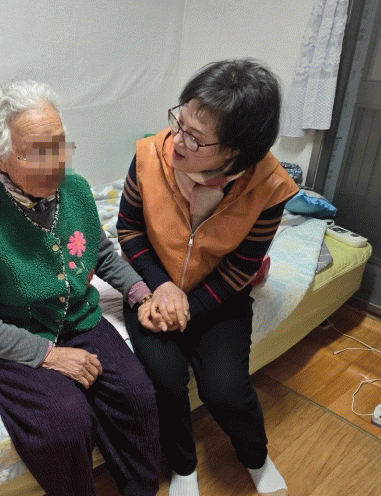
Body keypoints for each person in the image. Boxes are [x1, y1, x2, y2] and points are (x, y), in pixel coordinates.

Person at [0, 80, 162, 496]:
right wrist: (49, 355)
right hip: (12, 334)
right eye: (37, 152)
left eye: (61, 145)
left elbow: (101, 254)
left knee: (137, 395)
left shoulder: (75, 189)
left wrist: (141, 293)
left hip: (78, 318)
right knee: (65, 422)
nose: (56, 163)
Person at [117, 59, 298, 496]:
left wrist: (187, 308)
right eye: (179, 120)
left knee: (225, 390)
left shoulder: (270, 187)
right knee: (163, 379)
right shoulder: (148, 156)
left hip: (219, 293)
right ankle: (183, 467)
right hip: (153, 285)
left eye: (195, 137)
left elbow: (242, 267)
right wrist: (161, 288)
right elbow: (129, 230)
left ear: (237, 150)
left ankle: (255, 457)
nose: (177, 140)